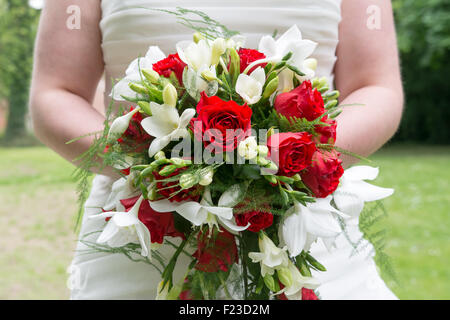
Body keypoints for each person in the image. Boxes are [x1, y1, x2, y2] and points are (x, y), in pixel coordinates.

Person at [29, 0, 403, 299]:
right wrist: (158, 169)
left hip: (305, 223)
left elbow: (376, 86)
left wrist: (296, 161)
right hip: (142, 223)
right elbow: (56, 92)